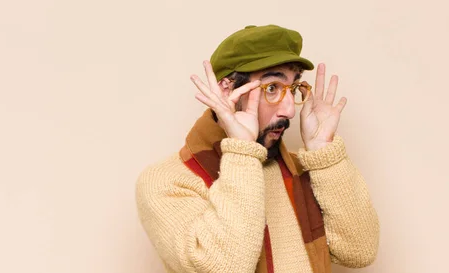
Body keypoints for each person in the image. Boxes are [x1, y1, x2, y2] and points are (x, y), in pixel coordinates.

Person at [135, 24, 380, 273]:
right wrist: (242, 150)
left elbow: (358, 251)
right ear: (227, 90)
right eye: (272, 88)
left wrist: (324, 152)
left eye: (293, 88)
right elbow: (224, 268)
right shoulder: (167, 180)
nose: (290, 110)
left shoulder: (301, 169)